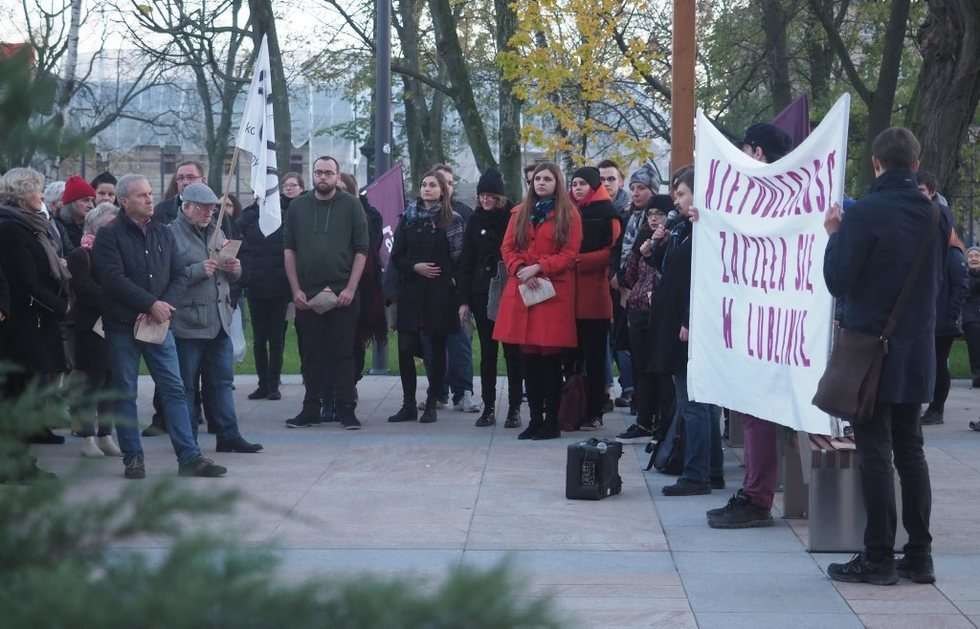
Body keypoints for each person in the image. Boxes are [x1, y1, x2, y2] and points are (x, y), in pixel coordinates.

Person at [824, 127, 949, 586]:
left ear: (877, 164)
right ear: (915, 165)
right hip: (917, 351)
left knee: (875, 451)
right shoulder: (937, 215)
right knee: (911, 450)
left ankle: (878, 555)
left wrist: (834, 234)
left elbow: (839, 280)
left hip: (872, 351)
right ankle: (919, 555)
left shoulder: (864, 214)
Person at [93, 173, 227, 479]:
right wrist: (148, 304)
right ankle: (133, 458)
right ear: (124, 201)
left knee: (175, 390)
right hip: (123, 326)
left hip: (158, 325)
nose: (150, 199)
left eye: (151, 193)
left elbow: (179, 274)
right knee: (126, 391)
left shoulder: (163, 233)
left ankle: (190, 457)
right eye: (141, 195)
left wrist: (163, 305)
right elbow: (112, 279)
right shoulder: (109, 235)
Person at [705, 122, 793, 526]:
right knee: (755, 410)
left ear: (757, 153)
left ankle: (758, 497)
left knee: (759, 411)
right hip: (766, 318)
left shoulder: (772, 194)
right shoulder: (785, 192)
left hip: (771, 321)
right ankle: (757, 490)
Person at [648, 166, 725, 496]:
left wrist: (689, 322)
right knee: (702, 402)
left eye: (681, 194)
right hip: (681, 323)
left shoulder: (707, 232)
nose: (676, 201)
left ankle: (697, 473)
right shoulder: (689, 229)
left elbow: (703, 281)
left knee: (694, 401)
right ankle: (711, 469)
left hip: (690, 329)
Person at [169, 182, 262, 453]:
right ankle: (189, 444)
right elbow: (166, 277)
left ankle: (228, 435)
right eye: (203, 208)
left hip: (219, 321)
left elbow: (231, 276)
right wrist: (198, 270)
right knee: (185, 387)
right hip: (188, 323)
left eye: (212, 207)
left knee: (222, 382)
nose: (209, 212)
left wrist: (235, 268)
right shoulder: (170, 235)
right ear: (186, 207)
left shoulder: (218, 231)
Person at [493, 162, 582, 440]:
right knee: (527, 359)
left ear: (558, 182)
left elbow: (569, 253)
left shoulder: (569, 215)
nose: (541, 183)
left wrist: (540, 267)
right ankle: (534, 419)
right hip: (523, 290)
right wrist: (520, 268)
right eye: (537, 179)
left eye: (547, 179)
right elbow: (507, 246)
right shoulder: (519, 212)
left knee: (550, 360)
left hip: (551, 292)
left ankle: (551, 421)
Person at [283, 156, 368, 430]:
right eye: (318, 172)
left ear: (337, 175)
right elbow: (289, 250)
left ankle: (346, 410)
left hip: (343, 293)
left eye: (328, 173)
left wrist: (351, 289)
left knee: (343, 354)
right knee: (310, 355)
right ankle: (311, 409)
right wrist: (295, 289)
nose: (323, 177)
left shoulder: (352, 206)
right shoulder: (297, 207)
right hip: (307, 295)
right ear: (312, 174)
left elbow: (361, 250)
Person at [0, 168, 71, 456]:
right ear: (23, 193)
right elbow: (24, 281)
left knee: (25, 391)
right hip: (23, 324)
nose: (41, 195)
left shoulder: (28, 224)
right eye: (37, 189)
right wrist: (61, 306)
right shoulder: (10, 228)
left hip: (35, 320)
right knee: (17, 394)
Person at [386, 170, 465, 424]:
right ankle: (408, 404)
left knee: (435, 349)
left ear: (443, 190)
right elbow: (396, 255)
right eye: (423, 184)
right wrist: (415, 267)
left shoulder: (453, 219)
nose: (427, 188)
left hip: (439, 293)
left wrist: (451, 283)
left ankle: (432, 402)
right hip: (411, 291)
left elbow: (459, 257)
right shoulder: (408, 217)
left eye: (433, 185)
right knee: (406, 347)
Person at [457, 167, 524, 428]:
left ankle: (515, 406)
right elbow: (466, 261)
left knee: (512, 353)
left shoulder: (512, 218)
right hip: (480, 292)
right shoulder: (475, 220)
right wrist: (463, 300)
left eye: (491, 196)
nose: (485, 200)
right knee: (487, 353)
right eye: (482, 195)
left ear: (500, 197)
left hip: (507, 291)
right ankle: (488, 407)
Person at [68, 202, 124, 458]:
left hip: (114, 326)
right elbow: (85, 288)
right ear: (95, 226)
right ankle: (87, 437)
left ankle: (105, 434)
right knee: (90, 384)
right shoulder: (81, 254)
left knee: (111, 382)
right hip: (90, 328)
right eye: (108, 225)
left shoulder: (117, 252)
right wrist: (116, 299)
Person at [616, 196, 674, 443]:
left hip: (660, 312)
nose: (653, 218)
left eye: (660, 214)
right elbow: (628, 276)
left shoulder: (672, 241)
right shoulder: (642, 239)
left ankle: (661, 422)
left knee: (659, 371)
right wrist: (638, 254)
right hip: (638, 309)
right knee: (641, 369)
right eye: (650, 214)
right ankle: (643, 419)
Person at [568, 166, 621, 430]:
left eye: (582, 184)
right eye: (574, 183)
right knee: (572, 357)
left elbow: (611, 252)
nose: (577, 188)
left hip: (594, 294)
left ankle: (594, 410)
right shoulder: (570, 211)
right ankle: (573, 407)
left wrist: (578, 261)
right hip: (569, 295)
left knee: (595, 357)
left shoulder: (607, 213)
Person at [428, 163, 479, 412]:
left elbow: (465, 256)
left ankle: (463, 392)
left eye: (448, 182)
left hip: (456, 288)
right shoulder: (420, 214)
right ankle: (438, 392)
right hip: (429, 290)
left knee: (460, 343)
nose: (444, 187)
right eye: (439, 182)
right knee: (432, 344)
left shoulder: (463, 214)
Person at [239, 180, 294, 402]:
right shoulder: (247, 217)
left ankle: (274, 384)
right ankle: (263, 383)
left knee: (277, 338)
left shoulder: (283, 216)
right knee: (260, 339)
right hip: (256, 285)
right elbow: (239, 245)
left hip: (279, 286)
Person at [339, 172, 386, 406]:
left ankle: (351, 383)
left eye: (343, 189)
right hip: (331, 281)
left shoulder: (370, 215)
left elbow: (369, 246)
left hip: (363, 286)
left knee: (356, 339)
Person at [919, 230, 968, 426]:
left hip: (942, 321)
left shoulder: (952, 253)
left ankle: (936, 409)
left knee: (938, 364)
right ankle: (931, 406)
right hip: (930, 319)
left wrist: (950, 316)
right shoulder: (935, 251)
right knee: (930, 364)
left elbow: (960, 286)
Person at [154, 160, 206, 225]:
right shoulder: (160, 211)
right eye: (181, 178)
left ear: (203, 181)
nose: (185, 182)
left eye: (191, 177)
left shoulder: (217, 212)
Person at [58, 175, 97, 250]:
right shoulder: (58, 227)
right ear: (71, 203)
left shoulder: (94, 226)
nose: (91, 206)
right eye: (85, 200)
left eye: (92, 201)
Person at [963, 246, 980, 392]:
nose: (974, 258)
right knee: (974, 348)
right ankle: (977, 375)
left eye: (977, 256)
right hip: (971, 318)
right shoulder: (964, 275)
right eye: (971, 256)